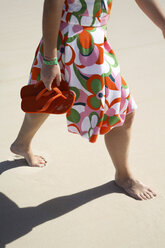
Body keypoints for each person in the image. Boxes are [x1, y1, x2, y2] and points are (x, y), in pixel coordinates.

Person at [10, 0, 165, 200]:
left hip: (84, 41)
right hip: (77, 46)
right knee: (121, 110)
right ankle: (124, 177)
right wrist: (50, 59)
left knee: (51, 96)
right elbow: (52, 4)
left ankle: (22, 143)